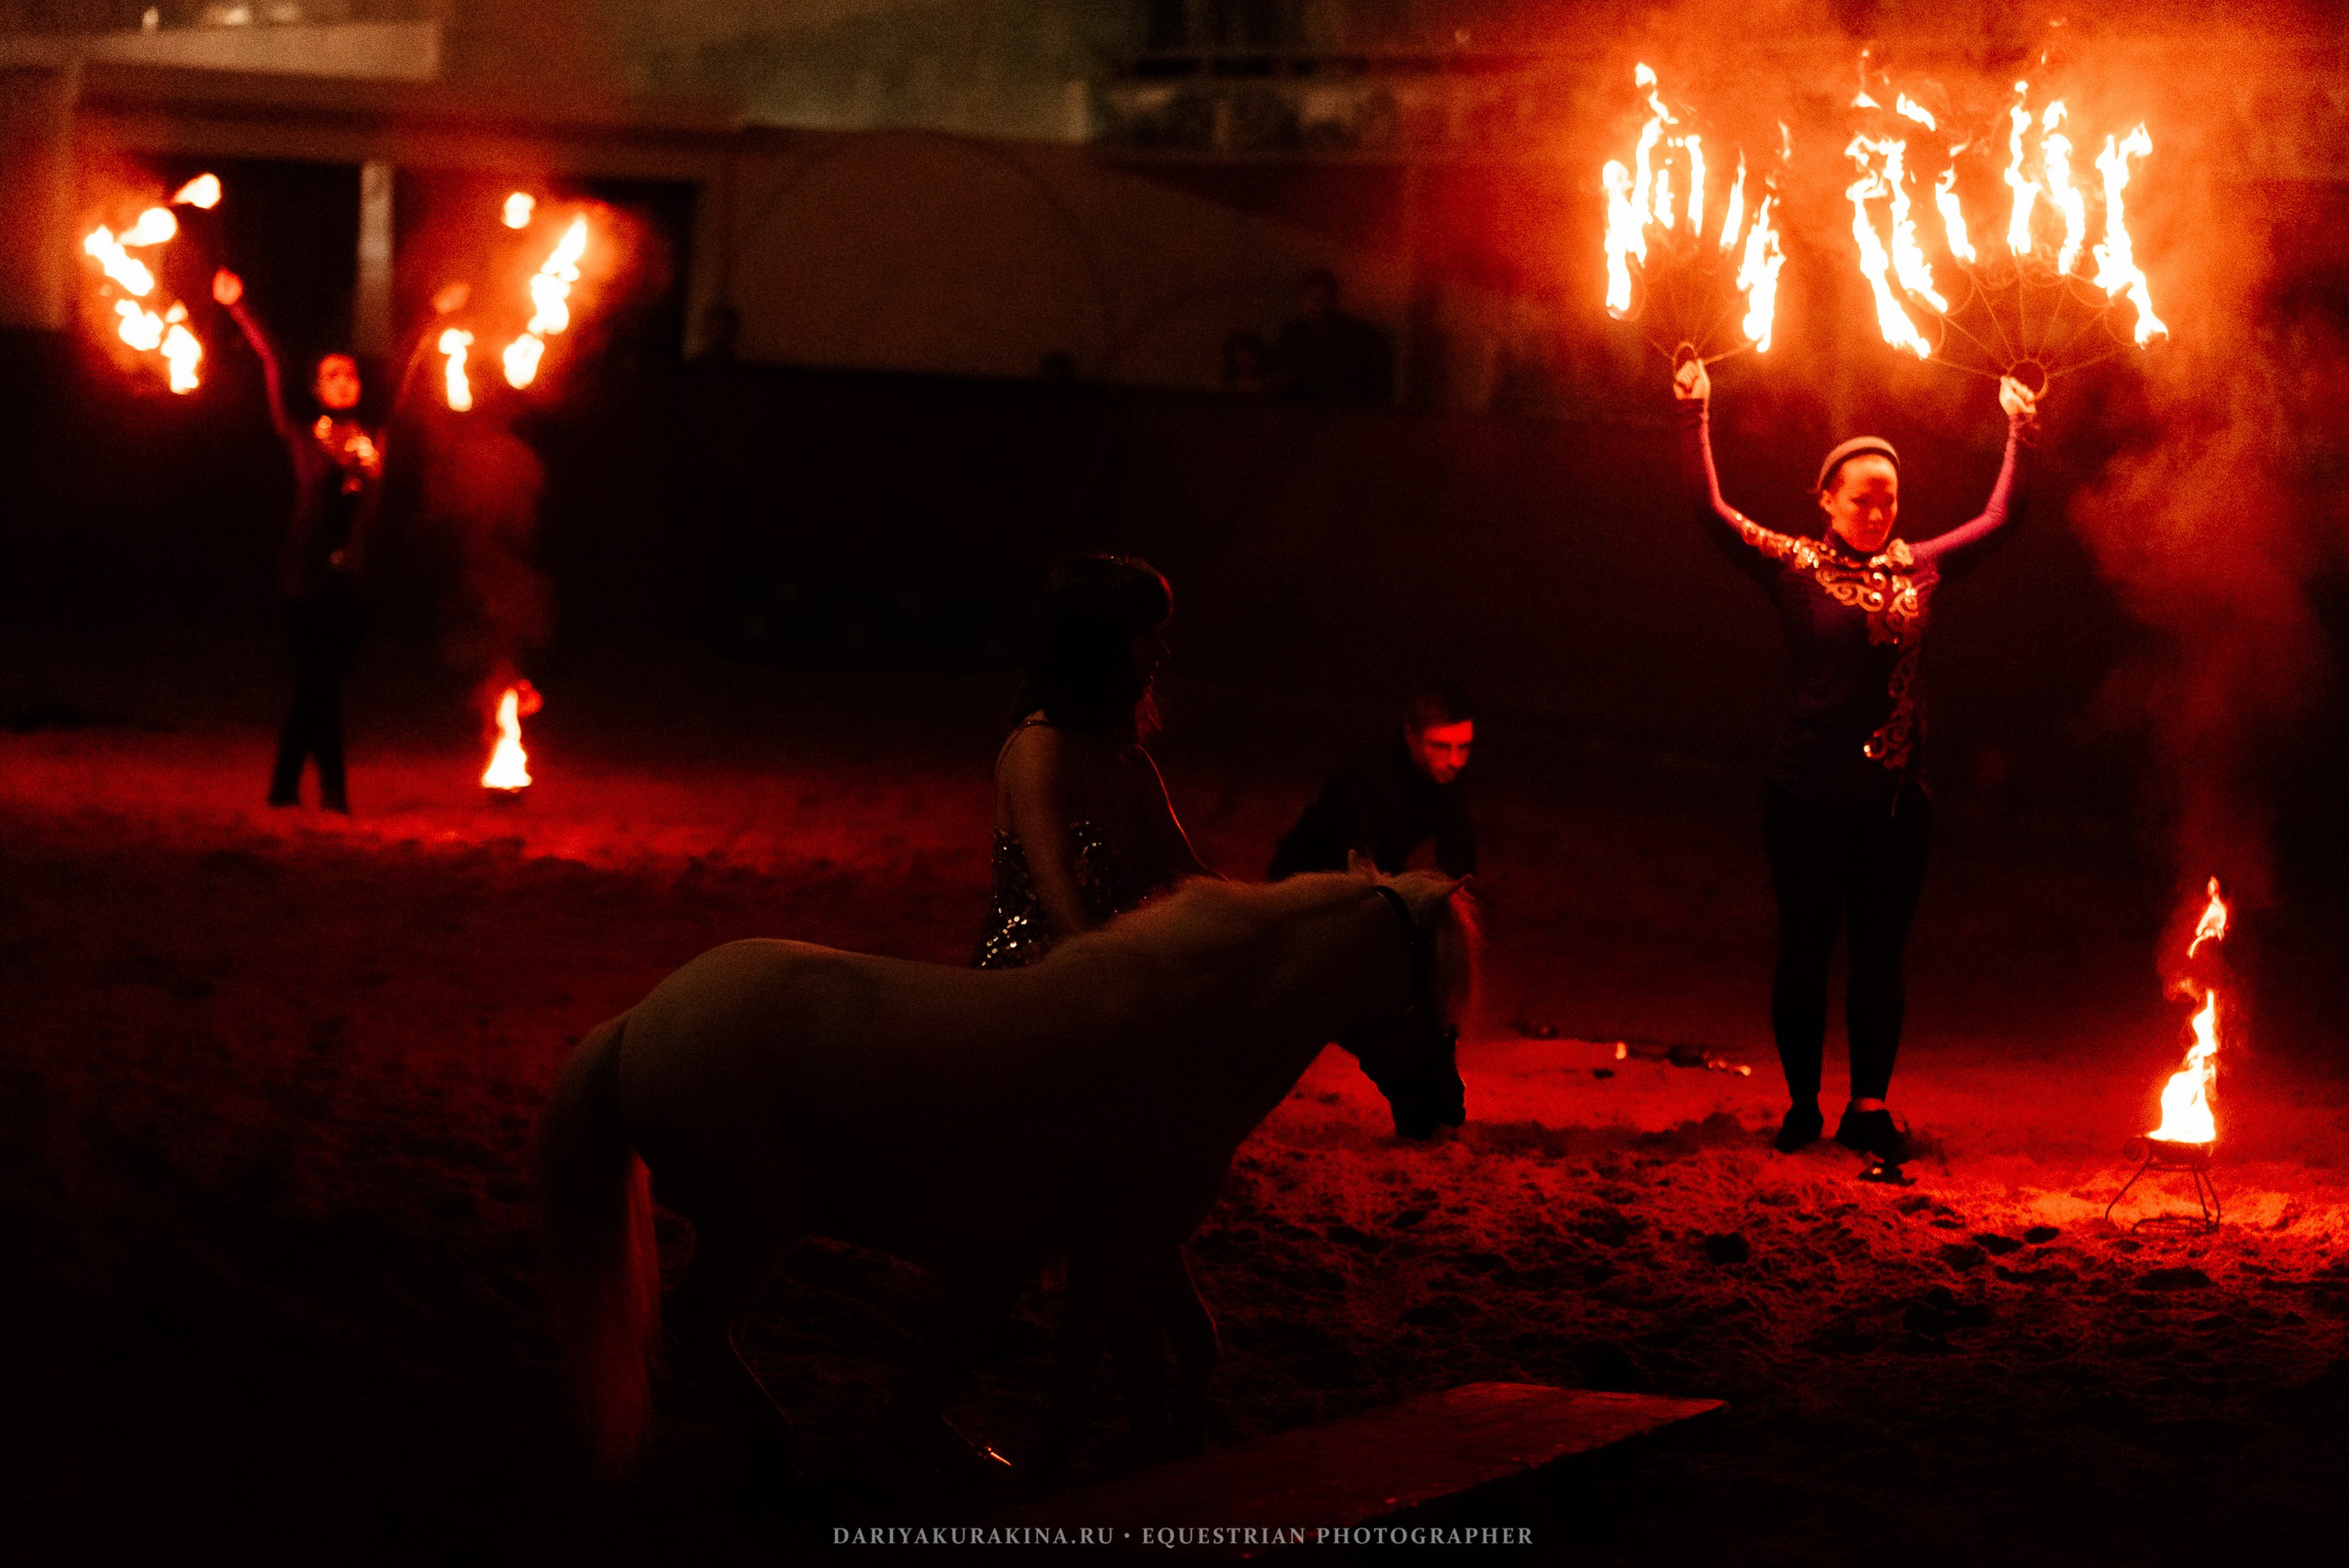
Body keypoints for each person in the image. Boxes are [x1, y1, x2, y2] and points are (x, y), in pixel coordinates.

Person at [1672, 355, 2037, 1162]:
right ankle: (1803, 1103)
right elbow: (1709, 509)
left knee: (1879, 952)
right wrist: (1697, 410)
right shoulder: (1795, 566)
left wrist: (2020, 424)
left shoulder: (1920, 568)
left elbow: (2002, 518)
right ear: (1827, 499)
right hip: (1803, 797)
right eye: (1862, 498)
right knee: (1805, 945)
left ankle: (1868, 1105)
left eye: (1890, 499)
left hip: (1896, 803)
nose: (1878, 510)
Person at [974, 556, 1215, 969]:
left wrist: (1279, 912)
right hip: (1029, 992)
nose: (1163, 650)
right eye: (1145, 635)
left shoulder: (1129, 760)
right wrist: (1128, 979)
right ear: (1097, 645)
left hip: (1103, 981)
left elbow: (1188, 878)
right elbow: (1061, 902)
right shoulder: (1040, 748)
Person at [215, 267, 384, 814]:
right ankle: (332, 793)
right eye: (332, 374)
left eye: (351, 373)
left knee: (321, 685)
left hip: (352, 581)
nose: (344, 380)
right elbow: (273, 362)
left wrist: (435, 322)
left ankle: (285, 788)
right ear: (316, 388)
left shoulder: (372, 437)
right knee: (319, 683)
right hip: (304, 574)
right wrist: (239, 308)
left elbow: (405, 373)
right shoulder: (301, 430)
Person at [1267, 684, 1477, 880]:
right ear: (1410, 736)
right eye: (1440, 746)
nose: (1456, 761)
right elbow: (1358, 873)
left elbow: (1459, 853)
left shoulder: (1444, 770)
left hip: (1369, 874)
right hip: (1302, 879)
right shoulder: (1368, 782)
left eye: (1464, 747)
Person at [1275, 270, 1394, 407]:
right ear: (1304, 301)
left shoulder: (1357, 333)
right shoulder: (1293, 334)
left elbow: (1370, 378)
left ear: (1335, 300)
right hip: (1303, 409)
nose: (1319, 306)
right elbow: (1283, 374)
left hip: (1347, 409)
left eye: (1325, 299)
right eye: (1313, 299)